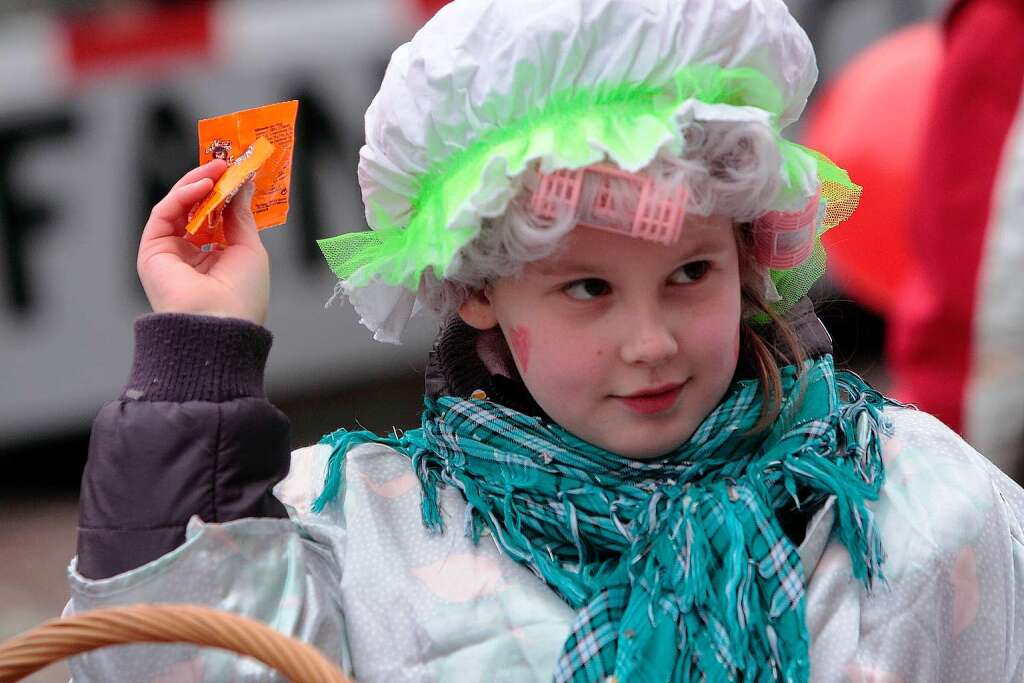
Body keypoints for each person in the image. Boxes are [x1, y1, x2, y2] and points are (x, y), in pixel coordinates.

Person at [65, 0, 1024, 681]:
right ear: (478, 289)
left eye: (691, 274)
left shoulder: (908, 498)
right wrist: (204, 345)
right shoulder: (362, 534)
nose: (649, 341)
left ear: (751, 250)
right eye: (587, 289)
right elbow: (166, 658)